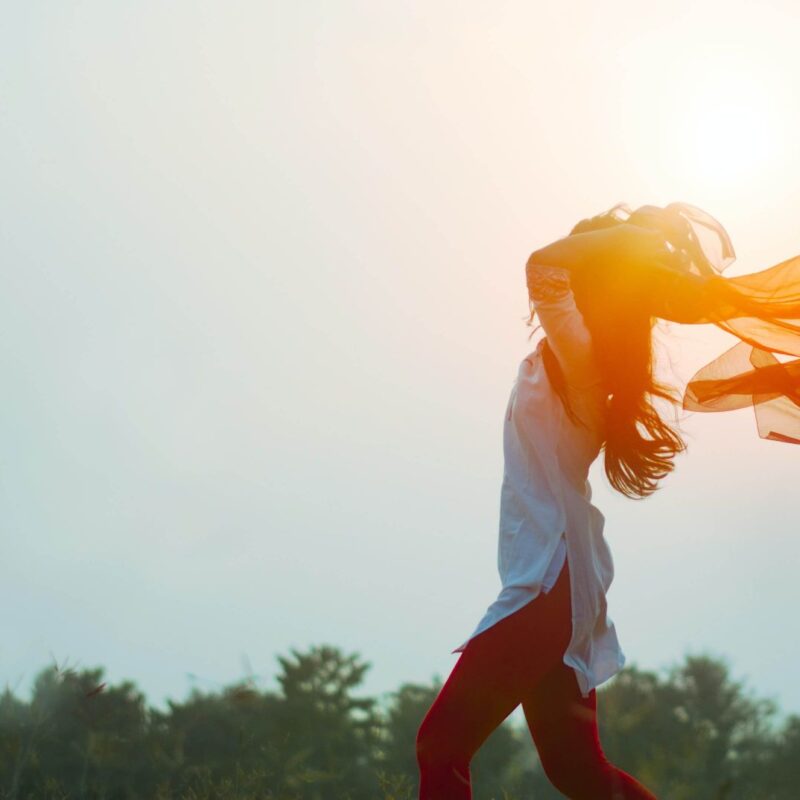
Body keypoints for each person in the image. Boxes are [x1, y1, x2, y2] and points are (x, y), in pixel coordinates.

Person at [415, 202, 800, 799]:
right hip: (559, 583)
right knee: (579, 774)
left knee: (441, 745)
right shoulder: (582, 359)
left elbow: (544, 266)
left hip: (549, 583)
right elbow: (556, 269)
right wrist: (630, 240)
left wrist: (631, 237)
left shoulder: (580, 355)